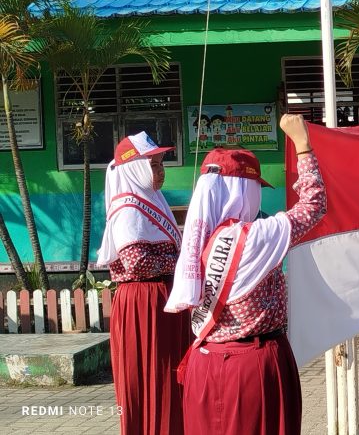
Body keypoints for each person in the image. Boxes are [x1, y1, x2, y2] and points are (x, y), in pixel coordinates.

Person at [164, 114, 325, 435]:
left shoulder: (197, 239)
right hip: (252, 368)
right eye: (255, 188)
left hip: (205, 366)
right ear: (243, 191)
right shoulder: (254, 237)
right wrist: (303, 145)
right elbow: (314, 206)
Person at [96, 131, 190, 435]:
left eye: (161, 163)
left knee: (170, 374)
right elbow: (139, 264)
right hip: (144, 303)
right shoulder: (127, 210)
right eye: (153, 164)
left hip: (162, 298)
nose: (161, 171)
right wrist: (183, 264)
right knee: (151, 375)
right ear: (134, 168)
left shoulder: (152, 201)